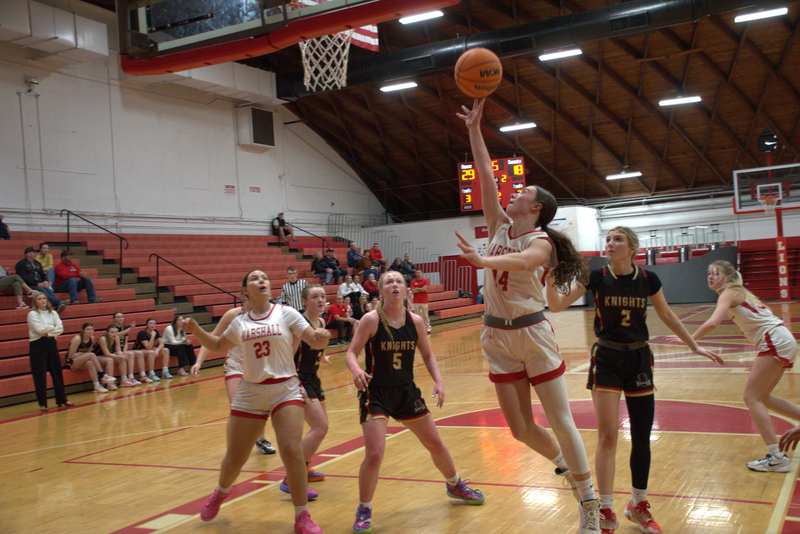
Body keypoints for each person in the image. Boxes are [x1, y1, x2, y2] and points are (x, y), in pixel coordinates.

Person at [456, 98, 599, 533]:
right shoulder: (500, 225)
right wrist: (474, 130)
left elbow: (524, 262)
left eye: (523, 193)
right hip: (496, 338)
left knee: (561, 418)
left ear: (535, 209)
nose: (514, 194)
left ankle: (589, 501)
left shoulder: (541, 241)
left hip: (533, 333)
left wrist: (483, 263)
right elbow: (484, 173)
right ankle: (563, 463)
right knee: (519, 429)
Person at [546, 226, 723, 534]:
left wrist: (694, 344)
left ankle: (637, 504)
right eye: (609, 238)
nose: (611, 243)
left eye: (618, 239)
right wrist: (549, 281)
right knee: (608, 436)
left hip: (639, 358)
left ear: (632, 248)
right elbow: (558, 305)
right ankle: (606, 507)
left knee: (642, 436)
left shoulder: (648, 279)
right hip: (607, 360)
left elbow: (667, 314)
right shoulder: (597, 277)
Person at [185, 270, 330, 534]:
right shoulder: (239, 322)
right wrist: (196, 331)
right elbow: (218, 345)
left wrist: (321, 339)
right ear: (245, 291)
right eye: (254, 278)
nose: (261, 280)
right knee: (235, 459)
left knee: (291, 451)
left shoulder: (286, 313)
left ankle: (302, 516)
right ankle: (220, 492)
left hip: (285, 388)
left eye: (264, 277)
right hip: (250, 391)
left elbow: (311, 337)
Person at [346, 271, 484, 533]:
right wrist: (355, 371)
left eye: (399, 281)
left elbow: (429, 356)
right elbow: (351, 352)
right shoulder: (371, 320)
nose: (394, 285)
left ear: (406, 289)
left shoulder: (417, 321)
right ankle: (364, 508)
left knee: (435, 442)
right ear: (381, 290)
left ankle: (455, 484)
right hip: (376, 393)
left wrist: (439, 382)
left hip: (406, 391)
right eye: (389, 282)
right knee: (375, 454)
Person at [693, 260, 799, 473]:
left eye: (715, 273)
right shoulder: (738, 291)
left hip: (774, 339)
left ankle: (777, 457)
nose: (710, 277)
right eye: (708, 273)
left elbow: (713, 322)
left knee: (752, 397)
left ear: (727, 277)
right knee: (763, 397)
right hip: (781, 338)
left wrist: (689, 339)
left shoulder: (729, 292)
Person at [191, 303, 279, 457]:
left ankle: (261, 438)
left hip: (256, 365)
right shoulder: (232, 315)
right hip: (235, 364)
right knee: (237, 407)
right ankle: (234, 446)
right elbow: (213, 337)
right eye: (245, 298)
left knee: (259, 406)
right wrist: (199, 362)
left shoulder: (268, 314)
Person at [279, 285, 331, 496]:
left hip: (314, 378)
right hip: (299, 378)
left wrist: (323, 356)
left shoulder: (321, 322)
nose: (320, 300)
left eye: (323, 296)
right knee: (320, 427)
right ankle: (291, 478)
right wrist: (294, 383)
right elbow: (288, 354)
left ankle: (305, 467)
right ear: (304, 301)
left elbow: (318, 347)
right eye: (314, 296)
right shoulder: (298, 325)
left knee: (320, 428)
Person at [27, 292, 71, 411]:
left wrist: (49, 331)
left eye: (44, 298)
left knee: (57, 372)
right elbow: (40, 330)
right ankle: (43, 404)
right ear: (35, 302)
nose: (42, 301)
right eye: (39, 299)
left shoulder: (53, 312)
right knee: (39, 375)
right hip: (37, 345)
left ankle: (62, 400)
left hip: (51, 343)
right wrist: (52, 329)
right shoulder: (32, 314)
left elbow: (61, 328)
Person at [67, 322, 118, 393]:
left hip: (83, 361)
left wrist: (82, 354)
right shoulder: (77, 338)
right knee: (91, 355)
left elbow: (87, 352)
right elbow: (70, 356)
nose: (90, 331)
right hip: (71, 363)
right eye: (88, 329)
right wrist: (83, 354)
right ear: (83, 330)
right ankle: (102, 375)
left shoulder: (92, 338)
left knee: (90, 363)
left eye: (92, 329)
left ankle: (96, 385)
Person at [16, 247, 64, 311]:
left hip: (39, 284)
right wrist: (37, 283)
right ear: (26, 254)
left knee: (49, 290)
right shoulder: (20, 264)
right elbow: (23, 277)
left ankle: (57, 305)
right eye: (30, 253)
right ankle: (59, 303)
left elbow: (43, 274)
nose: (32, 254)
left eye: (33, 252)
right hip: (29, 285)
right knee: (42, 291)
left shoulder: (37, 263)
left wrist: (45, 281)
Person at [111, 312, 146, 385]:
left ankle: (136, 376)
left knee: (138, 353)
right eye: (118, 317)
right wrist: (129, 329)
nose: (120, 318)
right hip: (113, 350)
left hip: (121, 350)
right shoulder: (112, 328)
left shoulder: (124, 327)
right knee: (129, 355)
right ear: (114, 319)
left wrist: (124, 351)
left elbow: (126, 342)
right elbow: (115, 335)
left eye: (121, 317)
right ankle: (124, 379)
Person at [409, 270, 431, 334]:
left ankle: (428, 328)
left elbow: (425, 289)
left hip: (424, 301)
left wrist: (417, 289)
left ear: (422, 273)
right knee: (417, 316)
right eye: (417, 273)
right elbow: (413, 291)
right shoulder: (413, 281)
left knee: (425, 315)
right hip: (415, 301)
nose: (418, 274)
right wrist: (421, 289)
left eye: (419, 273)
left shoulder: (425, 280)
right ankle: (418, 329)